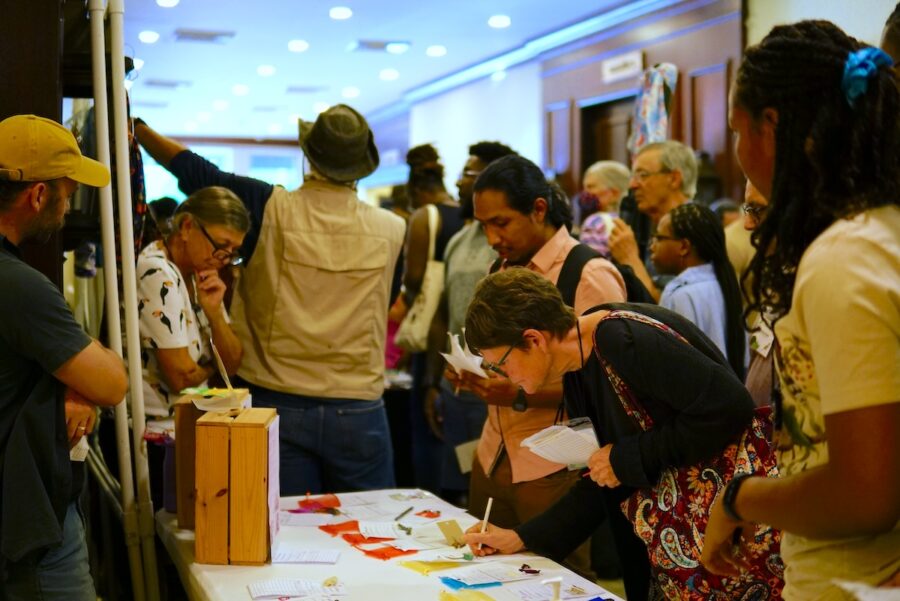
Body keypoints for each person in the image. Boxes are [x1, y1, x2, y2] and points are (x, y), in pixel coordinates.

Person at [701, 21, 900, 598]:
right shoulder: (879, 234)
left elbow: (866, 493)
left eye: (739, 132)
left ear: (774, 127)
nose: (739, 157)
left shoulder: (846, 255)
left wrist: (740, 497)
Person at [134, 105, 406, 495]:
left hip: (275, 400)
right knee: (370, 529)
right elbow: (388, 301)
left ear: (309, 156)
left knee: (284, 537)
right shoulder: (393, 229)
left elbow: (195, 172)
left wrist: (136, 128)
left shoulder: (268, 205)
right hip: (358, 406)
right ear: (362, 166)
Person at [461, 268, 756, 600]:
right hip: (670, 548)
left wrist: (625, 456)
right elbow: (603, 477)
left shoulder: (621, 338)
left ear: (533, 340)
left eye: (500, 363)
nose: (503, 375)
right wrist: (522, 537)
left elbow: (731, 406)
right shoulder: (578, 367)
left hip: (720, 539)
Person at [448, 154, 626, 579]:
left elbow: (610, 387)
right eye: (482, 225)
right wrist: (474, 369)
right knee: (484, 576)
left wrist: (520, 394)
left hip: (554, 467)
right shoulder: (501, 268)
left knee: (553, 581)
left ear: (539, 209)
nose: (491, 237)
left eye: (502, 223)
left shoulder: (589, 273)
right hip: (493, 454)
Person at [0, 114, 128, 599]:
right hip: (27, 530)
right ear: (37, 195)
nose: (68, 205)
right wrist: (76, 385)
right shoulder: (19, 285)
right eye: (67, 192)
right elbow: (113, 383)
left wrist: (65, 385)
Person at [434, 141, 516, 505]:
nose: (458, 182)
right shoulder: (458, 240)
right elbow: (443, 310)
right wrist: (433, 382)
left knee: (493, 489)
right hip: (457, 385)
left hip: (499, 386)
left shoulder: (508, 243)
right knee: (459, 485)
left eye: (468, 174)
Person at [137, 187, 248, 417]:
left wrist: (215, 314)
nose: (224, 259)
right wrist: (215, 365)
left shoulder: (202, 273)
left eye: (233, 251)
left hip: (190, 418)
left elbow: (234, 362)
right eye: (220, 245)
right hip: (156, 428)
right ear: (187, 227)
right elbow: (182, 378)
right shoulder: (158, 272)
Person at [398, 144, 464, 493]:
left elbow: (413, 280)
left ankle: (430, 495)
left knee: (426, 423)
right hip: (462, 331)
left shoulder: (426, 217)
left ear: (416, 189)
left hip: (433, 328)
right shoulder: (465, 217)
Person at [651, 203, 745, 377]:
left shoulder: (681, 294)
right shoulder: (721, 283)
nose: (652, 246)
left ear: (684, 246)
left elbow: (677, 365)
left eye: (659, 238)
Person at [609, 140, 697, 301]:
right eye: (633, 176)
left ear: (674, 179)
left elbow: (668, 307)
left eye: (643, 175)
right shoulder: (651, 223)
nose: (633, 185)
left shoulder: (694, 228)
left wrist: (629, 258)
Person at [577, 160, 630, 258]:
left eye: (591, 187)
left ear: (614, 193)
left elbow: (590, 263)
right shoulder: (633, 221)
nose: (585, 193)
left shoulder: (595, 223)